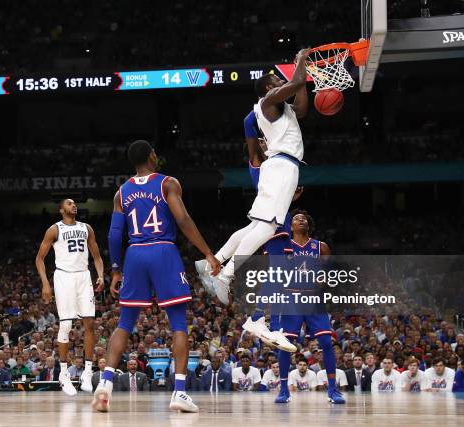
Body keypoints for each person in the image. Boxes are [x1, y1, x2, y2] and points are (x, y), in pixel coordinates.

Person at [92, 140, 221, 413]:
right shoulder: (167, 183)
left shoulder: (121, 192)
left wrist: (116, 269)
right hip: (163, 250)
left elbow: (115, 235)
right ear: (152, 156)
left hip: (135, 254)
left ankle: (105, 384)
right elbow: (184, 220)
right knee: (178, 324)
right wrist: (208, 253)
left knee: (124, 323)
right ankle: (180, 392)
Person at [198, 48, 310, 304]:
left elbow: (302, 109)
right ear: (269, 88)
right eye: (278, 82)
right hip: (282, 165)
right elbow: (295, 82)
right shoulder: (267, 102)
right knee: (268, 227)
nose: (282, 83)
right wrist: (301, 62)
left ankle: (216, 263)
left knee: (257, 226)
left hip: (280, 166)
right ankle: (225, 276)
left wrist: (300, 78)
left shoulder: (282, 107)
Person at [270, 210, 345, 404]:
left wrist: (324, 278)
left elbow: (329, 275)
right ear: (290, 226)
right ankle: (284, 390)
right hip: (291, 300)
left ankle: (333, 390)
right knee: (286, 346)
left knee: (327, 343)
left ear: (308, 224)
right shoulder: (284, 246)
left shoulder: (321, 247)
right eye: (296, 218)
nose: (300, 220)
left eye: (304, 218)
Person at [35, 198, 105, 395]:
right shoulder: (54, 229)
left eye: (74, 203)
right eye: (69, 203)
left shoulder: (86, 228)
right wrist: (45, 283)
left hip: (83, 275)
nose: (73, 205)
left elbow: (97, 256)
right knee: (66, 325)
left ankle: (88, 372)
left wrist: (100, 275)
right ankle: (64, 374)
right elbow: (39, 259)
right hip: (63, 276)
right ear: (61, 210)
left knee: (90, 323)